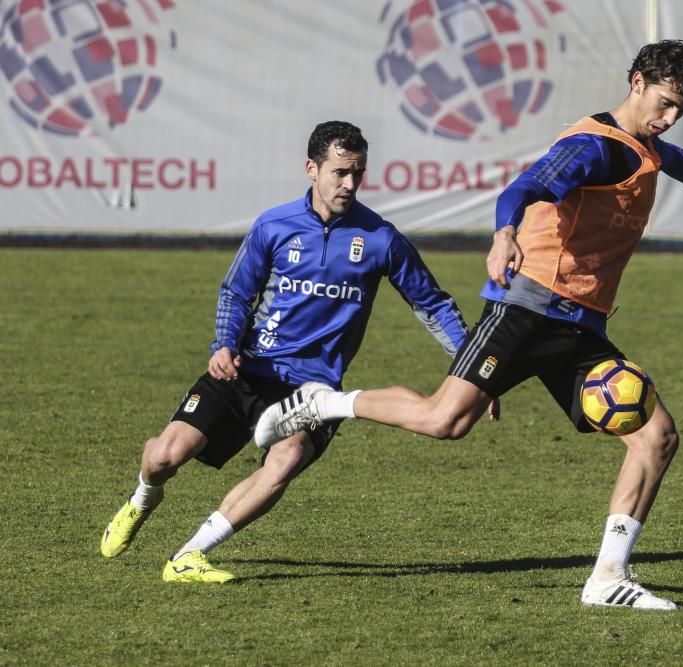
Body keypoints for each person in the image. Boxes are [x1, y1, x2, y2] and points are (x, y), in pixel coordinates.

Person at [255, 40, 683, 609]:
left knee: (657, 437)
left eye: (679, 111)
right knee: (446, 421)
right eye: (663, 104)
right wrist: (505, 232)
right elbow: (525, 186)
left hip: (580, 326)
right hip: (528, 307)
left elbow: (669, 159)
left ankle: (608, 577)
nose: (668, 119)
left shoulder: (644, 142)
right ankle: (324, 403)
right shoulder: (591, 146)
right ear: (637, 81)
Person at [100, 120, 469, 582]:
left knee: (288, 458)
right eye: (340, 172)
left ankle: (188, 556)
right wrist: (224, 345)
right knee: (163, 458)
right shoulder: (274, 225)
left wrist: (475, 373)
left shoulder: (381, 238)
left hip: (313, 390)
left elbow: (432, 303)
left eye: (358, 173)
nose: (350, 184)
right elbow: (237, 292)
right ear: (312, 169)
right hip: (248, 369)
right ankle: (141, 500)